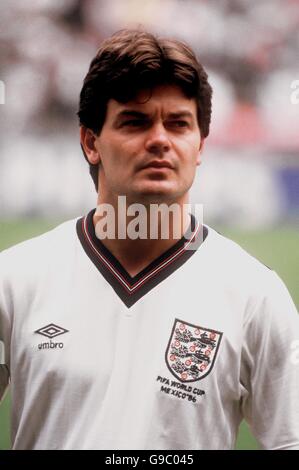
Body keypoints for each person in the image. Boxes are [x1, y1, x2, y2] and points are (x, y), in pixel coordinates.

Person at [0, 29, 298, 451]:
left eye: (178, 124)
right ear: (90, 142)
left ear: (199, 146)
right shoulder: (14, 280)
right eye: (135, 122)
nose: (160, 139)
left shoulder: (255, 296)